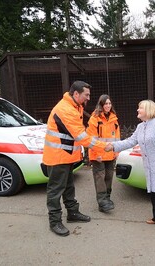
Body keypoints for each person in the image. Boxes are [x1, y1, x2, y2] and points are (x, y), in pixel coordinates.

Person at [42, 80, 111, 237]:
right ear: (76, 94)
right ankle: (54, 222)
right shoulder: (66, 110)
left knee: (68, 186)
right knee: (55, 190)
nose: (88, 98)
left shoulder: (75, 106)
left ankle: (72, 213)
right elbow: (82, 137)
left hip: (65, 156)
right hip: (57, 157)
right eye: (86, 95)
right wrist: (103, 146)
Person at [108, 100, 155, 232]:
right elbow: (130, 141)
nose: (137, 110)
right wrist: (113, 146)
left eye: (140, 108)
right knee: (154, 194)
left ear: (148, 110)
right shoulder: (141, 127)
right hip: (151, 168)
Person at [86, 94, 121, 212]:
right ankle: (102, 202)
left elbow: (117, 137)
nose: (108, 106)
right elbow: (92, 139)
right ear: (101, 105)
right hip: (99, 155)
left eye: (110, 103)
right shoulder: (94, 119)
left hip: (110, 154)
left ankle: (107, 198)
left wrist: (116, 151)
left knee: (109, 176)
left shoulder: (113, 118)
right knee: (100, 178)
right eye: (106, 103)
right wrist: (96, 155)